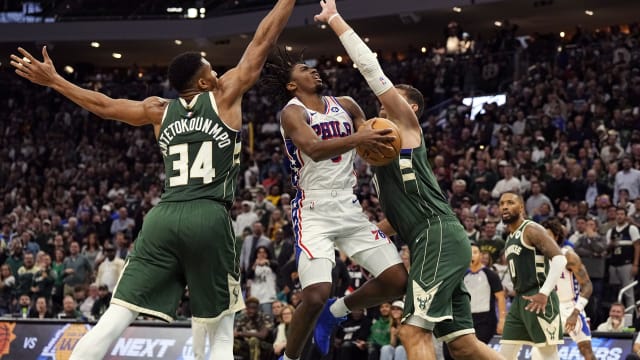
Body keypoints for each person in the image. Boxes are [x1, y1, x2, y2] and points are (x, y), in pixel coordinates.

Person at [9, 1, 296, 358]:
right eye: (212, 69)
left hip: (162, 217)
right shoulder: (224, 96)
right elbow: (262, 41)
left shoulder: (157, 110)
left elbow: (104, 105)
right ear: (205, 81)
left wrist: (55, 80)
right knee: (222, 326)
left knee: (117, 315)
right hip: (208, 215)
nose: (219, 72)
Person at [314, 1, 505, 359]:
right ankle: (337, 311)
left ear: (411, 108)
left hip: (439, 235)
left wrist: (336, 20)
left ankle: (337, 311)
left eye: (392, 99)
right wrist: (361, 239)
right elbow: (396, 217)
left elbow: (372, 70)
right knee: (464, 347)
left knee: (412, 332)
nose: (382, 103)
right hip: (426, 240)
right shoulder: (378, 146)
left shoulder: (406, 125)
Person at [263, 14, 408, 360]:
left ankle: (336, 313)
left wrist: (383, 138)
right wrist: (360, 135)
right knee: (313, 294)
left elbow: (371, 141)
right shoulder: (292, 113)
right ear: (291, 86)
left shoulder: (346, 104)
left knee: (396, 281)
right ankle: (291, 358)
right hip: (312, 210)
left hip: (349, 205)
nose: (313, 70)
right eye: (303, 70)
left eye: (312, 67)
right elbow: (313, 148)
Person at [498, 192, 566, 360]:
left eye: (510, 203)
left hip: (539, 296)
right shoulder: (510, 237)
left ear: (521, 207)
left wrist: (544, 292)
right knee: (504, 354)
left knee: (547, 354)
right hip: (520, 300)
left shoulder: (531, 229)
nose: (505, 206)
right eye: (501, 204)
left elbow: (559, 259)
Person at [542, 218, 596, 360]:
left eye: (548, 235)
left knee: (586, 349)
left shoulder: (569, 256)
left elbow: (587, 285)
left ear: (556, 237)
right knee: (543, 350)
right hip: (548, 307)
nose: (544, 239)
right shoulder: (537, 258)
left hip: (570, 306)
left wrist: (576, 312)